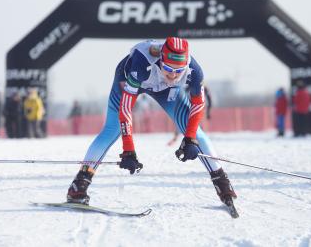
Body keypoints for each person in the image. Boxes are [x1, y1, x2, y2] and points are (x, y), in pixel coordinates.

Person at [67, 37, 237, 207]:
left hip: (167, 90)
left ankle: (222, 183)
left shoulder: (194, 71)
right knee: (112, 129)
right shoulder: (141, 63)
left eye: (179, 71)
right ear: (160, 60)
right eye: (169, 68)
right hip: (130, 80)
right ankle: (79, 184)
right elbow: (126, 108)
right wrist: (128, 150)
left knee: (195, 132)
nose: (173, 74)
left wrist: (190, 138)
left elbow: (198, 105)